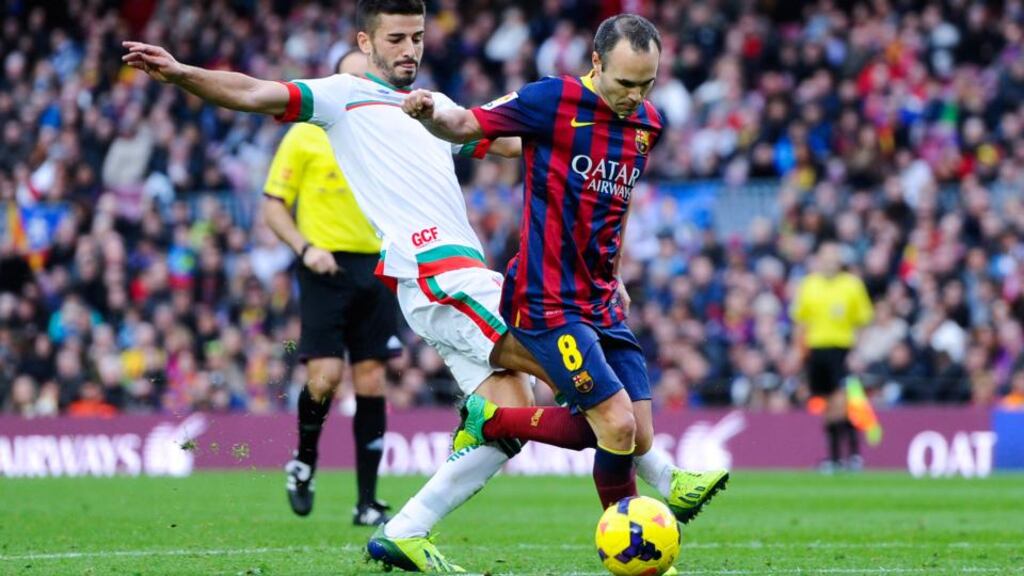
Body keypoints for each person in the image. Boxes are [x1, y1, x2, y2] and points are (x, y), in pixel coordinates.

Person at [403, 10, 728, 521]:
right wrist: (429, 114)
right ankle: (626, 536)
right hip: (547, 299)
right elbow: (466, 123)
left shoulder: (647, 125)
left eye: (647, 84)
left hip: (600, 299)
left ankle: (491, 422)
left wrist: (616, 272)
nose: (635, 96)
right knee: (616, 426)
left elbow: (616, 207)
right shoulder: (550, 100)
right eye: (625, 83)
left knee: (637, 434)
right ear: (596, 63)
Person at [263, 49, 401, 525]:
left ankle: (367, 502)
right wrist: (304, 249)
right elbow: (273, 205)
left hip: (380, 266)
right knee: (324, 378)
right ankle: (304, 462)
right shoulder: (304, 135)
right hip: (323, 266)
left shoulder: (389, 132)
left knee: (373, 378)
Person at [791, 242, 874, 472]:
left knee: (841, 401)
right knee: (827, 405)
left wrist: (857, 352)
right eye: (824, 258)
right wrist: (798, 353)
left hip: (841, 349)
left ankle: (851, 455)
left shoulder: (851, 285)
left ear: (839, 261)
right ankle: (837, 458)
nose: (829, 263)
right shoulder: (809, 285)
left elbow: (863, 321)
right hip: (816, 349)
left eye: (833, 258)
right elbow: (801, 321)